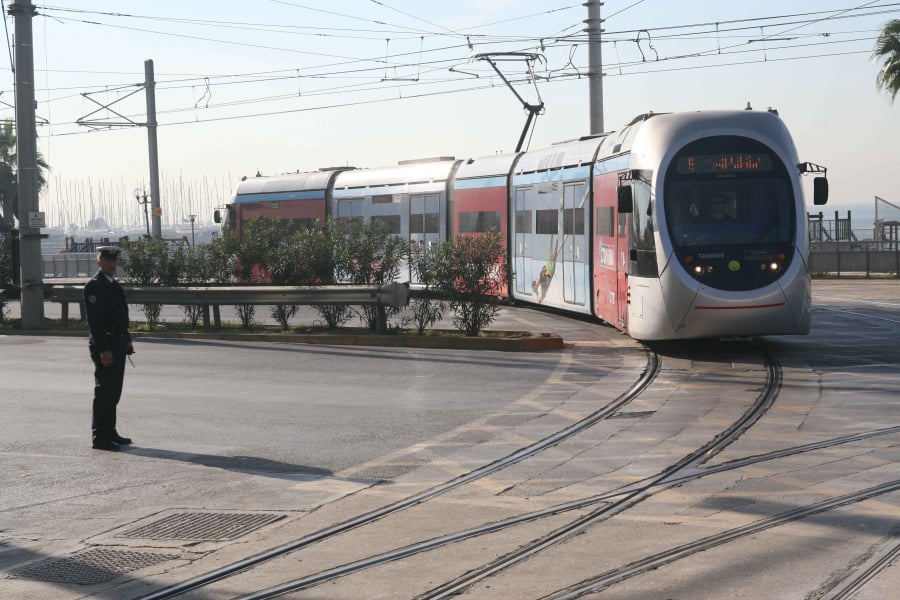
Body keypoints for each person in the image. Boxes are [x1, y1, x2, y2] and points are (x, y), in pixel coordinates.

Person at [84, 246, 134, 451]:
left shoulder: (113, 285)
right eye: (107, 260)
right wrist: (104, 349)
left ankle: (110, 430)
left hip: (118, 342)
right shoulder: (95, 286)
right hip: (105, 344)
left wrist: (127, 339)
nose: (111, 264)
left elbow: (120, 316)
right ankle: (99, 437)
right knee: (104, 392)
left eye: (114, 261)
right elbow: (95, 323)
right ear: (99, 262)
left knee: (114, 391)